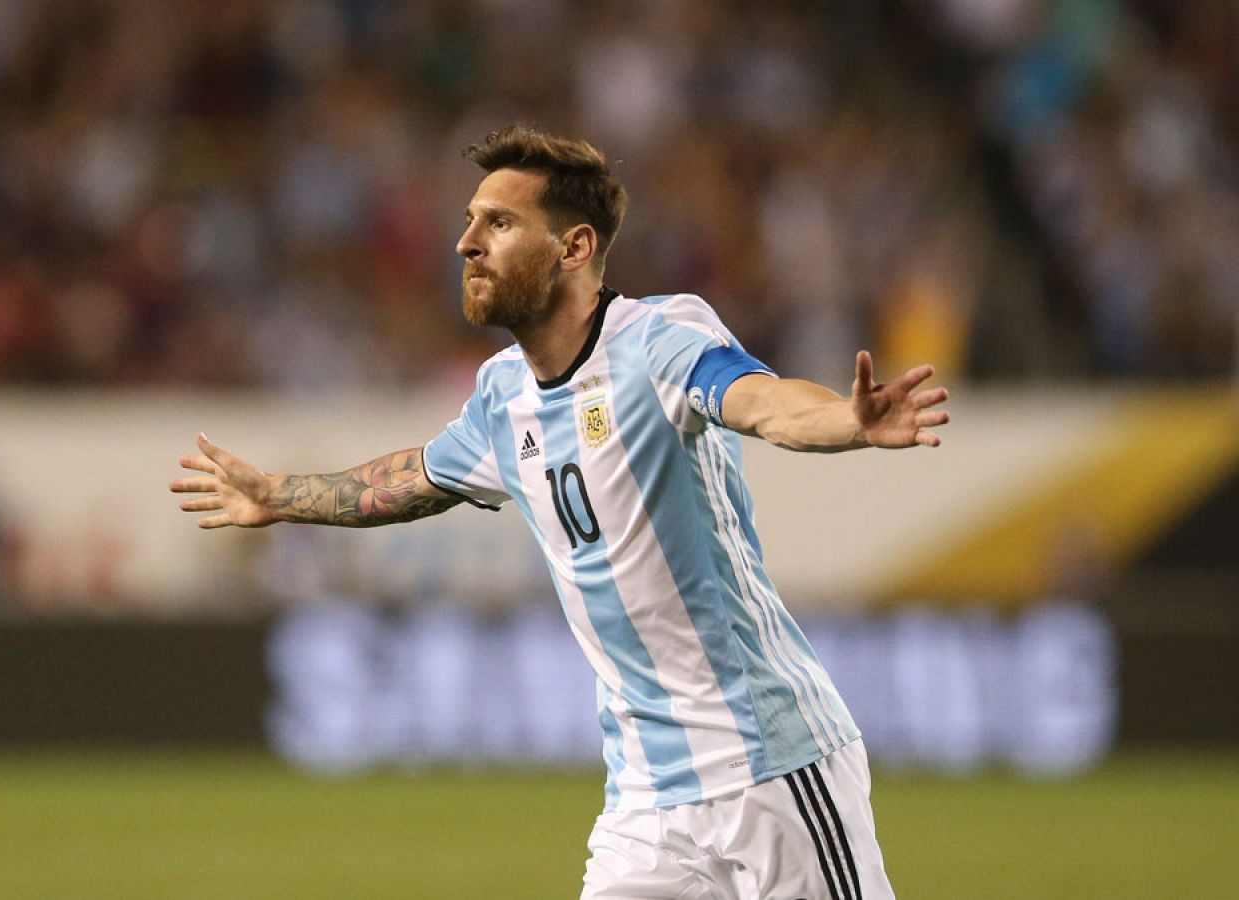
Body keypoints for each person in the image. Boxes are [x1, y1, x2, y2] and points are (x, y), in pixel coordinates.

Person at [170, 124, 948, 899]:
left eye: (498, 223)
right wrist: (280, 496)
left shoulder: (657, 340)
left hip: (771, 763)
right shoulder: (502, 396)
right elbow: (409, 480)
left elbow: (764, 404)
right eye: (470, 221)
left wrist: (850, 423)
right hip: (645, 796)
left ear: (574, 248)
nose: (466, 243)